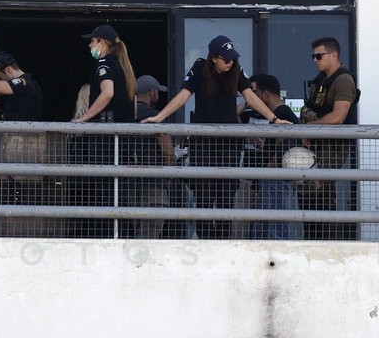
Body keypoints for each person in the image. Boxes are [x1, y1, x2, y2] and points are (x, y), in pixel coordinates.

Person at [143, 35, 286, 239]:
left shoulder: (236, 69)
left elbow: (250, 97)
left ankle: (222, 244)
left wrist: (274, 119)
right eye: (226, 59)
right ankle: (205, 243)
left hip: (228, 143)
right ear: (214, 58)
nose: (230, 63)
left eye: (233, 59)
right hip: (203, 142)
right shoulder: (200, 67)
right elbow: (183, 95)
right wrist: (159, 117)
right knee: (203, 196)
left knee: (226, 197)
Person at [0, 49, 59, 236]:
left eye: (2, 78)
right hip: (17, 151)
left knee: (17, 194)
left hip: (21, 150)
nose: (0, 84)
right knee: (4, 191)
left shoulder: (23, 83)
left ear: (8, 71)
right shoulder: (24, 87)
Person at [71, 24, 137, 238]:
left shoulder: (104, 62)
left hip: (106, 137)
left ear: (102, 43)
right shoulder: (122, 66)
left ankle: (108, 236)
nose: (90, 45)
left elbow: (107, 93)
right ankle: (121, 235)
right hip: (121, 136)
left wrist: (84, 118)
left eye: (92, 41)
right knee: (119, 190)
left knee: (104, 189)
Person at [300, 36, 359, 240]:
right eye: (313, 56)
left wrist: (308, 128)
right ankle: (312, 243)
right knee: (309, 197)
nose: (315, 60)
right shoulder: (321, 81)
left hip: (332, 146)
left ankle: (329, 246)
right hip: (317, 144)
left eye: (319, 55)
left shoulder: (343, 80)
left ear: (334, 55)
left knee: (322, 196)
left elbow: (337, 117)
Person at [248, 73, 302, 240]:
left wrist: (275, 161)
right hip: (273, 176)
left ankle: (278, 251)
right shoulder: (281, 113)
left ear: (265, 94)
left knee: (275, 218)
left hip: (275, 177)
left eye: (256, 95)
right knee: (265, 219)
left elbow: (290, 139)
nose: (254, 100)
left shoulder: (282, 113)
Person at [126, 74, 175, 239]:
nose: (158, 96)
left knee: (139, 232)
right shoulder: (156, 116)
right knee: (150, 236)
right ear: (151, 92)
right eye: (158, 92)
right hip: (155, 184)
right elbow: (167, 150)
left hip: (131, 185)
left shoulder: (126, 116)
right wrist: (170, 174)